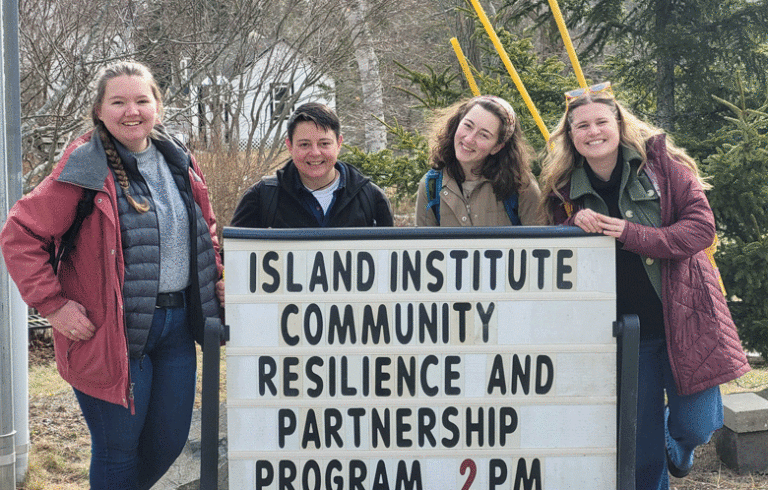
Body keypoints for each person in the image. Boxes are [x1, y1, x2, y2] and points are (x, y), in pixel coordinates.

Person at [0, 61, 224, 490]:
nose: (131, 111)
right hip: (110, 333)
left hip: (177, 328)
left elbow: (204, 227)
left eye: (142, 100)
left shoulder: (178, 159)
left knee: (169, 441)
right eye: (118, 102)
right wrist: (53, 304)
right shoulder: (85, 167)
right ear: (99, 110)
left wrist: (215, 272)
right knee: (118, 451)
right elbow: (19, 233)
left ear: (158, 106)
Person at [539, 82, 750, 489]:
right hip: (625, 332)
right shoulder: (562, 189)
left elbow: (701, 229)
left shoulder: (663, 165)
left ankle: (681, 446)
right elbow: (551, 253)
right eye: (581, 126)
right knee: (641, 449)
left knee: (699, 425)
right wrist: (571, 225)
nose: (593, 132)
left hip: (686, 320)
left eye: (601, 121)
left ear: (618, 124)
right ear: (570, 136)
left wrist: (631, 233)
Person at [230, 102, 393, 228]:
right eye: (304, 144)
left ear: (339, 144)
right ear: (290, 146)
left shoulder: (371, 198)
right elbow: (235, 259)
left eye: (324, 143)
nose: (315, 153)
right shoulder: (261, 198)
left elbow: (390, 262)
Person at [415, 95, 542, 226]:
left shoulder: (521, 187)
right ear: (457, 123)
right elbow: (422, 245)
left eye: (484, 135)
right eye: (468, 126)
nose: (469, 139)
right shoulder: (431, 186)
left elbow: (539, 244)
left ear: (497, 147)